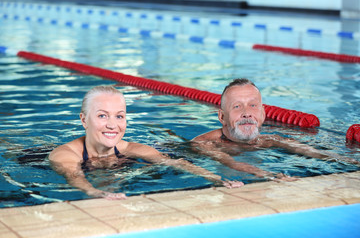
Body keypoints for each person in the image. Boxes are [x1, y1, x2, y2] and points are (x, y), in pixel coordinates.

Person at [49, 85, 243, 200]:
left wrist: (217, 179)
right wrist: (95, 192)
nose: (112, 125)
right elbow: (74, 176)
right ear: (84, 120)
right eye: (102, 116)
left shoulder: (132, 148)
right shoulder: (65, 154)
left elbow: (176, 162)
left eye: (119, 116)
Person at [192, 78, 359, 181]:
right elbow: (229, 162)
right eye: (237, 106)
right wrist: (271, 176)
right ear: (222, 117)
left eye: (253, 105)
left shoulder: (271, 140)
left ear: (263, 114)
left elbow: (315, 153)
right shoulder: (205, 144)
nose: (246, 113)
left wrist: (351, 162)